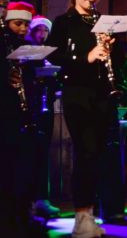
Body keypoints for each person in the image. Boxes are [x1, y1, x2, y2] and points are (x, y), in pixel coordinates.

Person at [46, 0, 125, 237]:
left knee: (100, 155)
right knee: (86, 153)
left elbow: (116, 61)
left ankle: (92, 214)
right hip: (78, 95)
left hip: (103, 94)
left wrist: (111, 50)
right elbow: (53, 56)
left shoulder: (102, 22)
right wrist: (86, 57)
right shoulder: (63, 22)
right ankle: (81, 216)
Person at [0, 1, 48, 237]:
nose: (22, 28)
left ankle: (24, 213)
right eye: (18, 23)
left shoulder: (26, 44)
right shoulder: (4, 42)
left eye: (27, 24)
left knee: (26, 167)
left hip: (27, 113)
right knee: (9, 169)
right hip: (7, 116)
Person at [26, 15, 62, 218]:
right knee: (29, 153)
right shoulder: (25, 51)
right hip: (28, 110)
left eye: (45, 30)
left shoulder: (48, 54)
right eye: (38, 30)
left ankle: (42, 198)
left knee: (43, 153)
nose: (42, 34)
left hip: (45, 107)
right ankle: (28, 200)